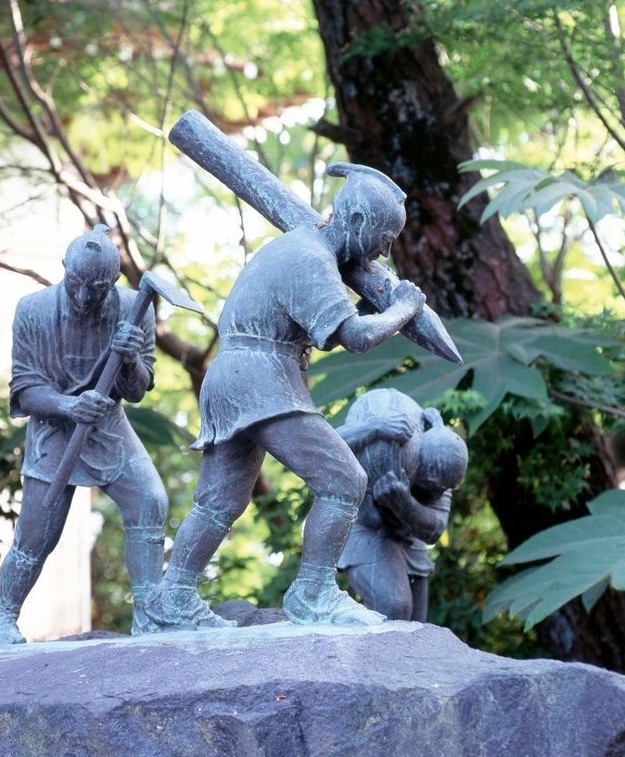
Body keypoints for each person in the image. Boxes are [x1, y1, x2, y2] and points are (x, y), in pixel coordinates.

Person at [139, 162, 428, 631]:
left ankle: (174, 595)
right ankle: (313, 593)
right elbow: (354, 337)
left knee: (219, 502)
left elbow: (329, 322)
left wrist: (372, 306)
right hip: (260, 375)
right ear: (356, 221)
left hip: (233, 376)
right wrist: (403, 308)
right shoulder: (309, 257)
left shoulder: (302, 249)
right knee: (343, 481)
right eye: (386, 238)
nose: (386, 251)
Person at [0, 225, 168, 644]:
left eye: (97, 288)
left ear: (114, 281)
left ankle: (150, 615)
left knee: (150, 501)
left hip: (108, 426)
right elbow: (25, 389)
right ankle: (1, 622)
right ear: (64, 268)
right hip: (53, 430)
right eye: (76, 283)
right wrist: (69, 406)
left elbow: (137, 391)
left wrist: (130, 359)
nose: (84, 296)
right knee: (35, 537)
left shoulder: (134, 308)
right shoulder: (33, 310)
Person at [335, 388, 468, 622]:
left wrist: (403, 502)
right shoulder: (415, 453)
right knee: (395, 607)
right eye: (432, 485)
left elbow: (435, 529)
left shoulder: (442, 467)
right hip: (364, 527)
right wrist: (374, 428)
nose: (437, 493)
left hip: (407, 537)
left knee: (416, 623)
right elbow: (327, 445)